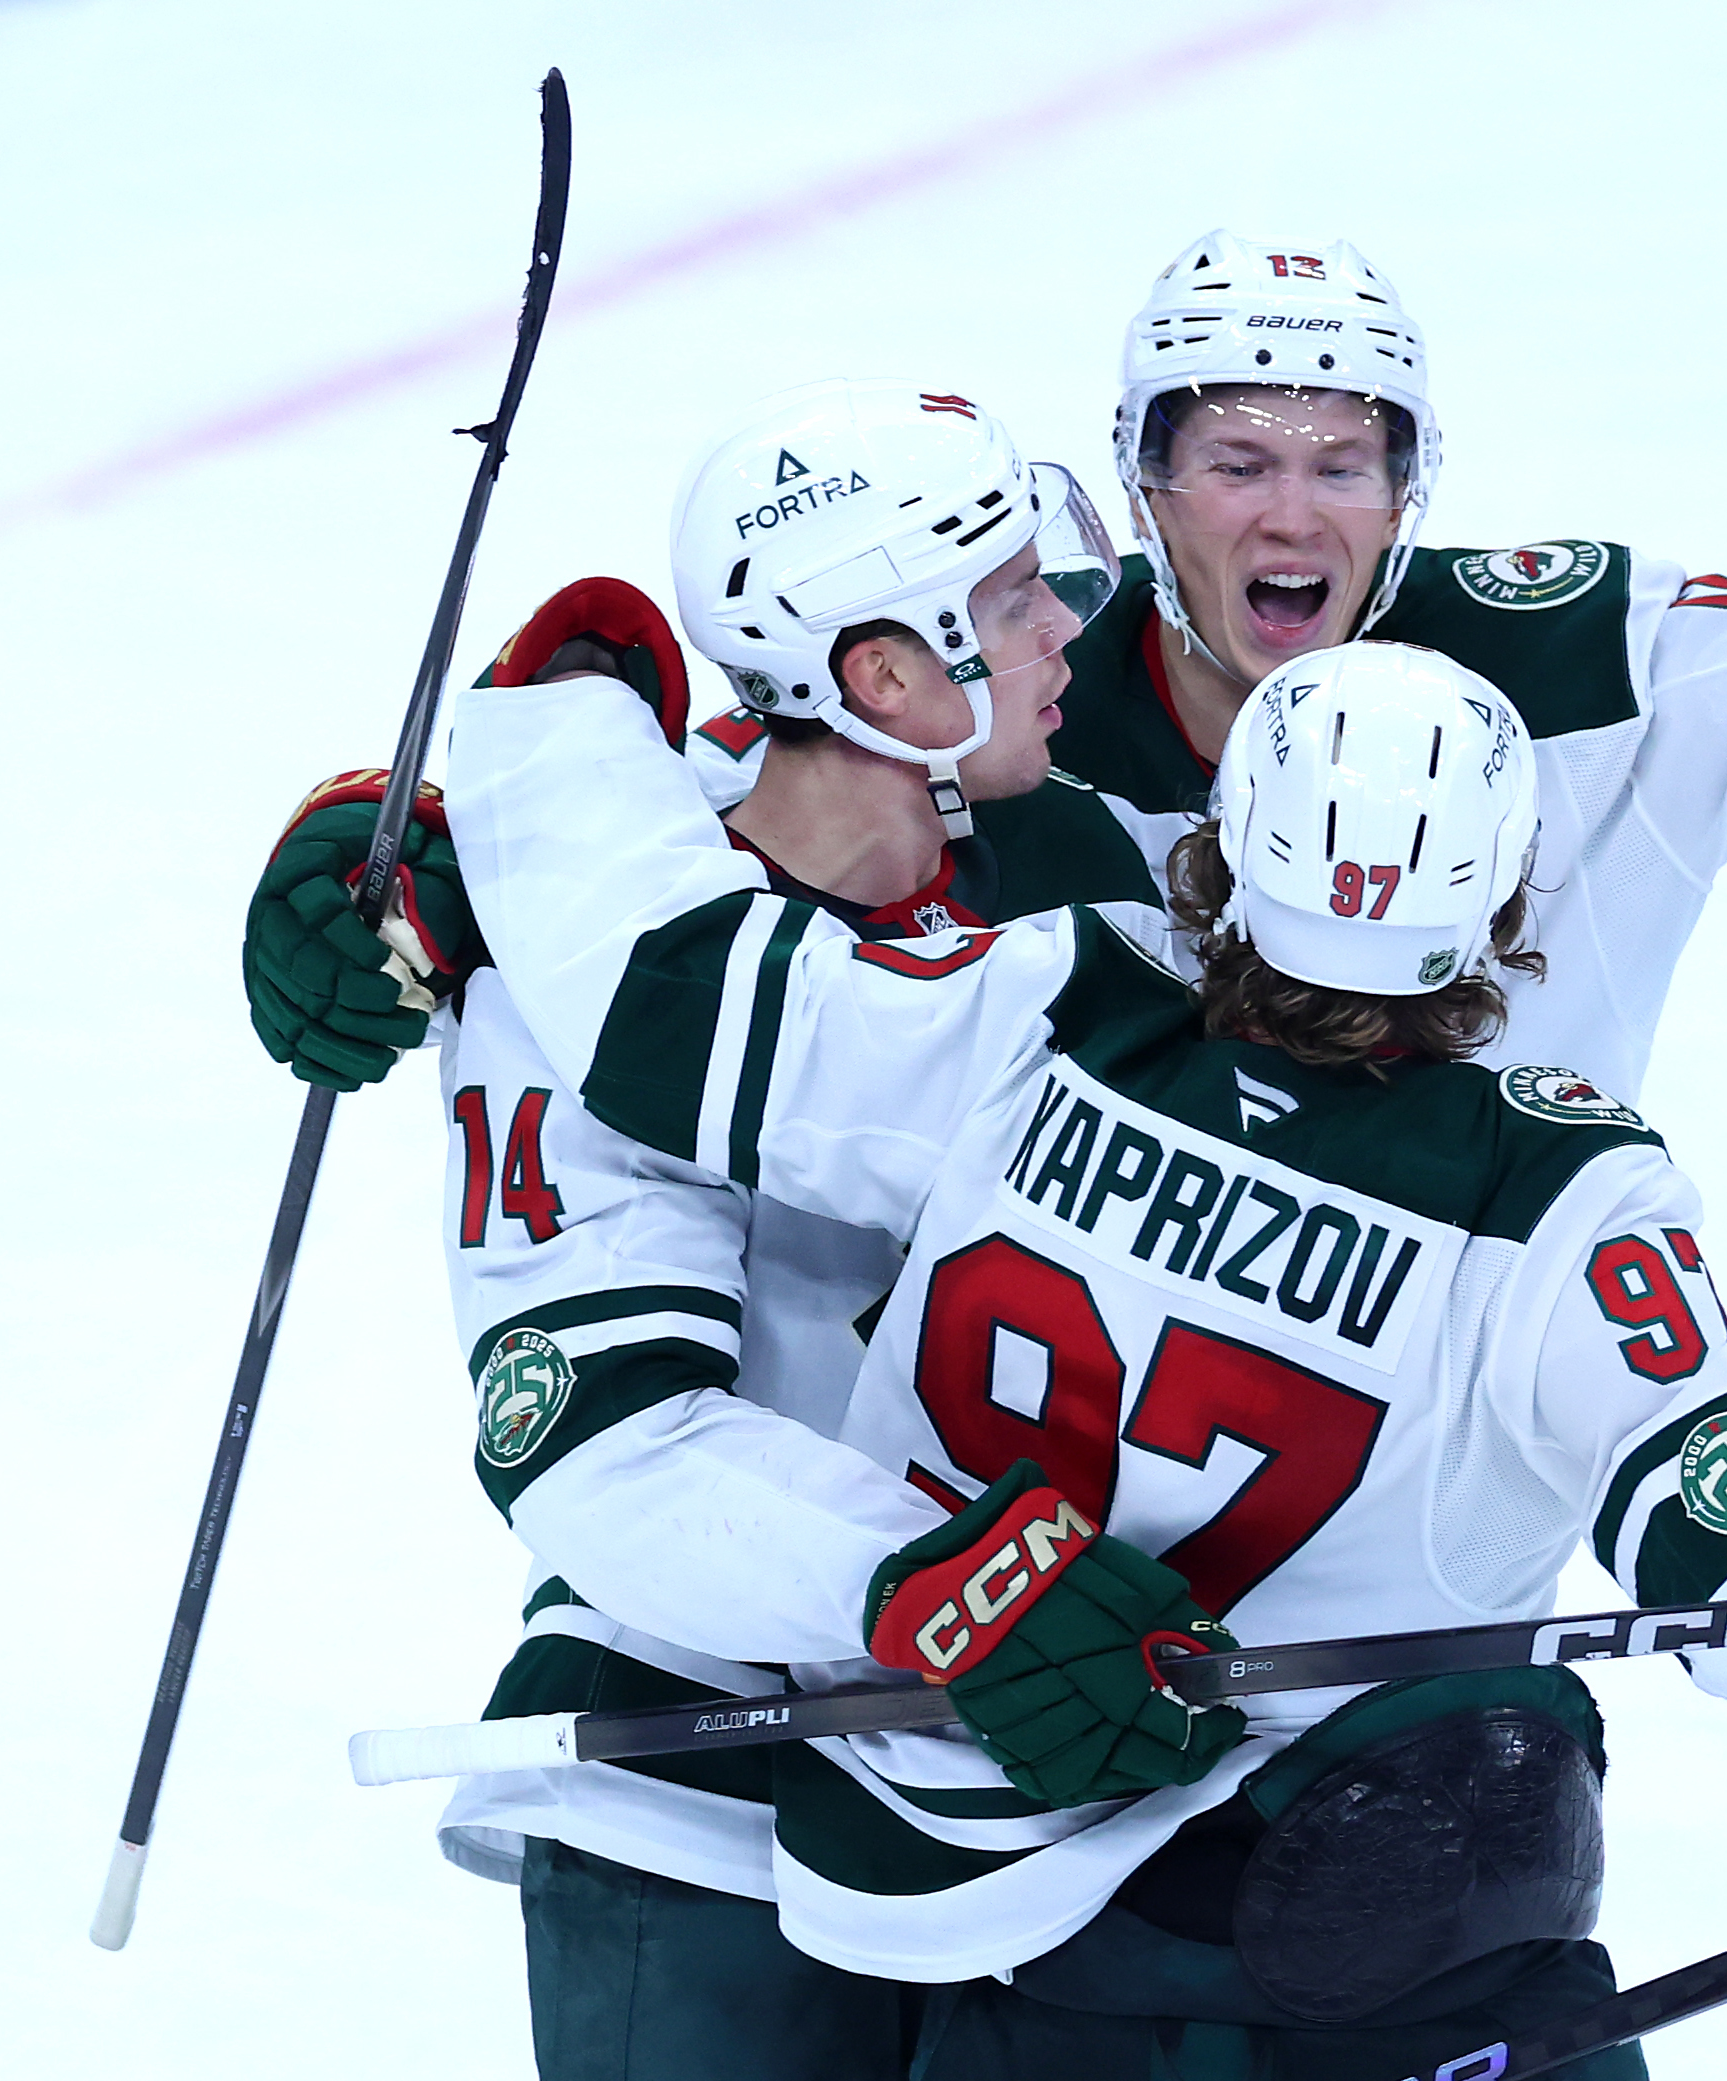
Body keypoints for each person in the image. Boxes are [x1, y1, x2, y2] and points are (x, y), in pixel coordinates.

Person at [437, 637, 1727, 2079]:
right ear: (1499, 901)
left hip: (962, 1895)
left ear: (1223, 850)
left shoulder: (1033, 1003)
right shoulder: (1547, 1202)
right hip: (1327, 1970)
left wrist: (526, 740)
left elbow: (657, 981)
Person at [251, 209, 1727, 1110]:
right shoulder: (1001, 702)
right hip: (1022, 1512)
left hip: (1438, 1433)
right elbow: (719, 819)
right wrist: (418, 862)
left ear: (1410, 483)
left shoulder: (1575, 657)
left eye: (1344, 460)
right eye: (1237, 458)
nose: (1294, 515)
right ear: (1141, 487)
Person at [251, 378, 1156, 2075]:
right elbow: (612, 1458)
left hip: (1029, 1767)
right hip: (698, 1797)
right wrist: (939, 1589)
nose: (1066, 629)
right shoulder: (558, 988)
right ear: (886, 679)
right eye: (1013, 598)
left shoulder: (1067, 867)